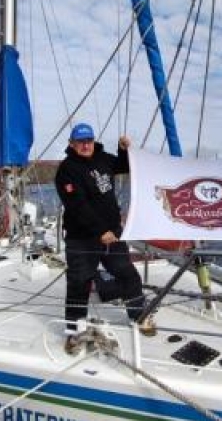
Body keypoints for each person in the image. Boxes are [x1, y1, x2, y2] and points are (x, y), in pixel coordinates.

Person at [55, 123, 155, 355]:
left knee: (127, 273)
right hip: (82, 238)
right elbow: (77, 206)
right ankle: (74, 331)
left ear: (93, 140)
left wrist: (123, 150)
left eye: (88, 140)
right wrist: (101, 231)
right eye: (80, 142)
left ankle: (138, 315)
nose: (85, 145)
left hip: (112, 235)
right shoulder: (66, 170)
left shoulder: (103, 158)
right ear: (71, 144)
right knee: (79, 283)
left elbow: (124, 166)